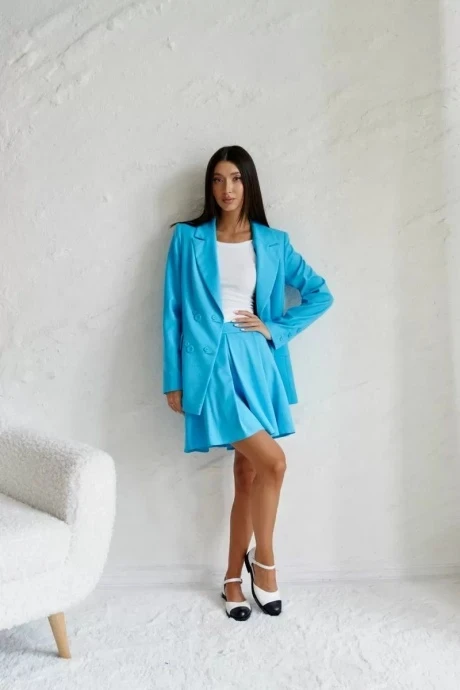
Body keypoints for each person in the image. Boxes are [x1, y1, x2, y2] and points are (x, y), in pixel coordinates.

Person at [162, 145, 334, 621]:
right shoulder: (188, 240)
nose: (227, 189)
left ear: (249, 183)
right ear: (210, 186)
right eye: (218, 179)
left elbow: (320, 294)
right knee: (274, 462)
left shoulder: (274, 242)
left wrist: (274, 329)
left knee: (249, 474)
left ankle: (232, 579)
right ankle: (266, 563)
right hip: (210, 365)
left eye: (236, 179)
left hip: (257, 360)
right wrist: (173, 379)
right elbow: (172, 313)